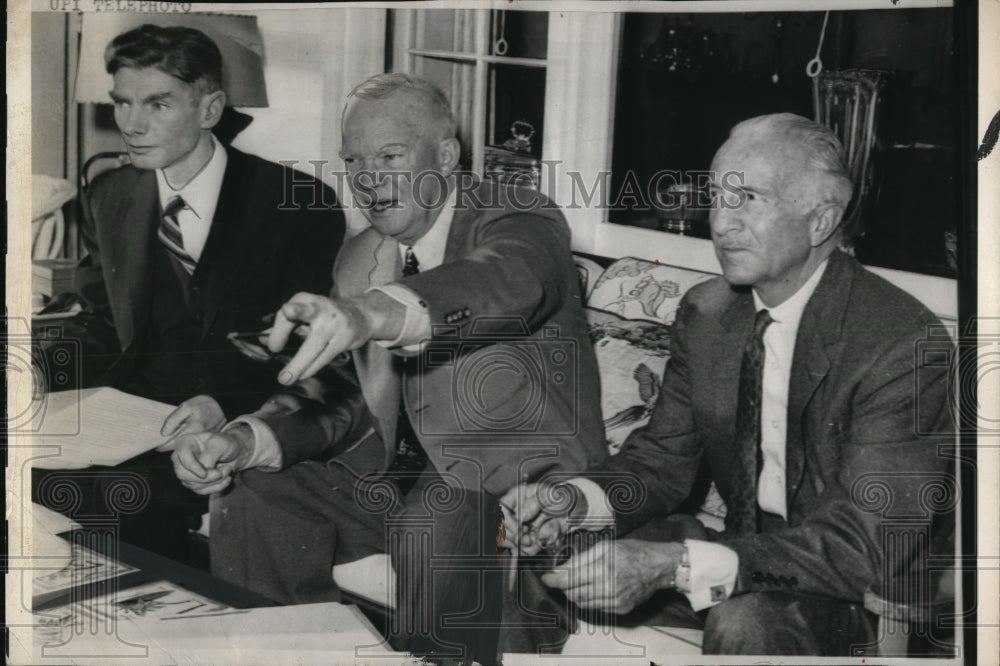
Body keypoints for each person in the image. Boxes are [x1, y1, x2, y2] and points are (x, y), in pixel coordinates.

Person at [167, 73, 608, 663]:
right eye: (354, 161)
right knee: (255, 490)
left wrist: (375, 312)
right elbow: (342, 391)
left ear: (445, 157)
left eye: (390, 156)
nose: (368, 180)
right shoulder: (361, 255)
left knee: (436, 518)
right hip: (394, 485)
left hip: (511, 487)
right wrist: (248, 438)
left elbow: (508, 279)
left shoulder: (517, 217)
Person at [503, 113, 954, 656]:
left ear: (821, 221)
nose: (721, 222)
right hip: (740, 552)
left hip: (853, 590)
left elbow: (866, 548)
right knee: (550, 552)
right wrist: (575, 501)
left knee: (746, 620)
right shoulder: (708, 313)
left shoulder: (900, 342)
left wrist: (678, 563)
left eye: (750, 199)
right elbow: (661, 462)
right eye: (718, 196)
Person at [35, 24, 344, 563]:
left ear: (210, 109)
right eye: (122, 103)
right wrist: (37, 371)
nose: (131, 124)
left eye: (158, 104)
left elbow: (309, 354)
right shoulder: (110, 196)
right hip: (129, 424)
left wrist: (223, 403)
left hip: (232, 425)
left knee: (125, 512)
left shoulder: (297, 203)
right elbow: (102, 321)